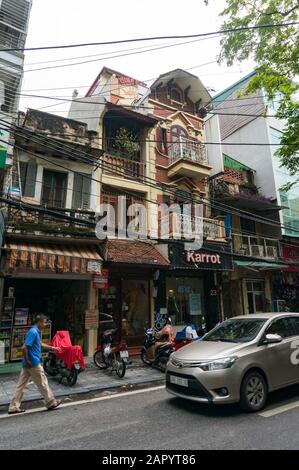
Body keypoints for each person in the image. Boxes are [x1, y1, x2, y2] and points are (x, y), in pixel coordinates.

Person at [8, 314, 62, 415]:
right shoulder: (33, 332)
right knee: (43, 382)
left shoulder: (36, 331)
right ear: (40, 322)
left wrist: (52, 348)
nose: (45, 324)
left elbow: (40, 344)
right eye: (45, 322)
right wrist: (28, 360)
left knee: (21, 385)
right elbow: (24, 347)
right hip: (33, 363)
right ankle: (51, 402)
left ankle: (13, 407)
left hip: (28, 364)